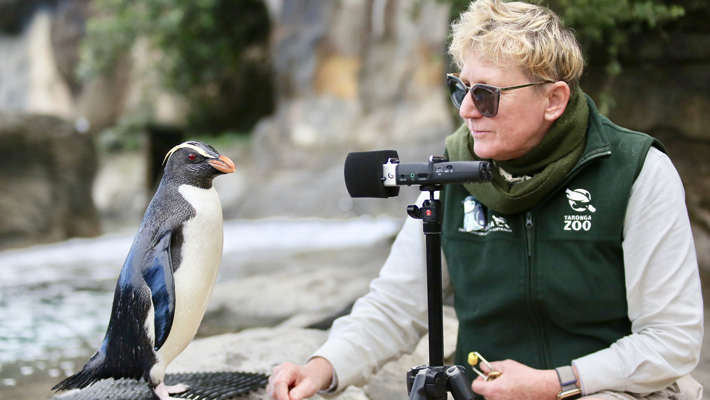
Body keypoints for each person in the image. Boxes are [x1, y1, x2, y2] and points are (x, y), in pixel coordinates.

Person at [267, 1, 704, 399]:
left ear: (553, 100)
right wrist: (322, 367)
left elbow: (671, 338)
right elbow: (397, 306)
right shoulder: (450, 173)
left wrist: (554, 384)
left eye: (485, 95)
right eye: (461, 89)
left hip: (610, 390)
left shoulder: (636, 170)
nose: (466, 110)